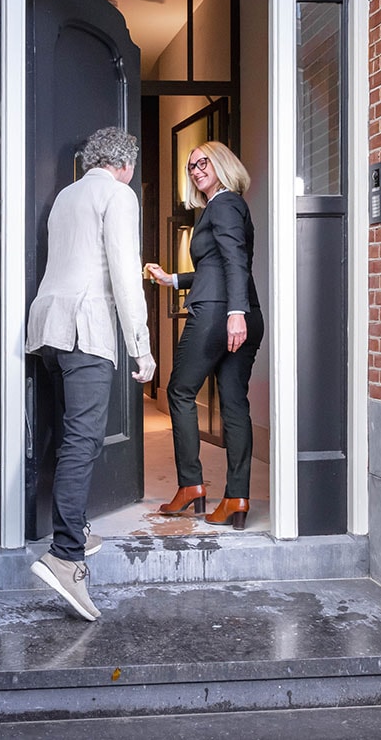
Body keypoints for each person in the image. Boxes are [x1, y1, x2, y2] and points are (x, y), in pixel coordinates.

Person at [26, 126, 156, 621]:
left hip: (51, 331)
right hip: (85, 330)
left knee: (69, 438)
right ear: (124, 164)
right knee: (83, 442)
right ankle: (66, 557)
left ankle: (74, 530)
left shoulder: (66, 195)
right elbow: (125, 274)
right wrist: (140, 348)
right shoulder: (118, 195)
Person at [145, 140, 263, 530]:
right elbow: (218, 265)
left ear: (222, 162)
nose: (195, 170)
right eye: (190, 167)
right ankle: (236, 497)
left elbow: (234, 260)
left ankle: (191, 486)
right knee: (233, 403)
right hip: (234, 310)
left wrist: (234, 313)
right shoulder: (222, 206)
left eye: (202, 162)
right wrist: (173, 278)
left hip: (220, 314)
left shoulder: (225, 204)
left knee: (178, 391)